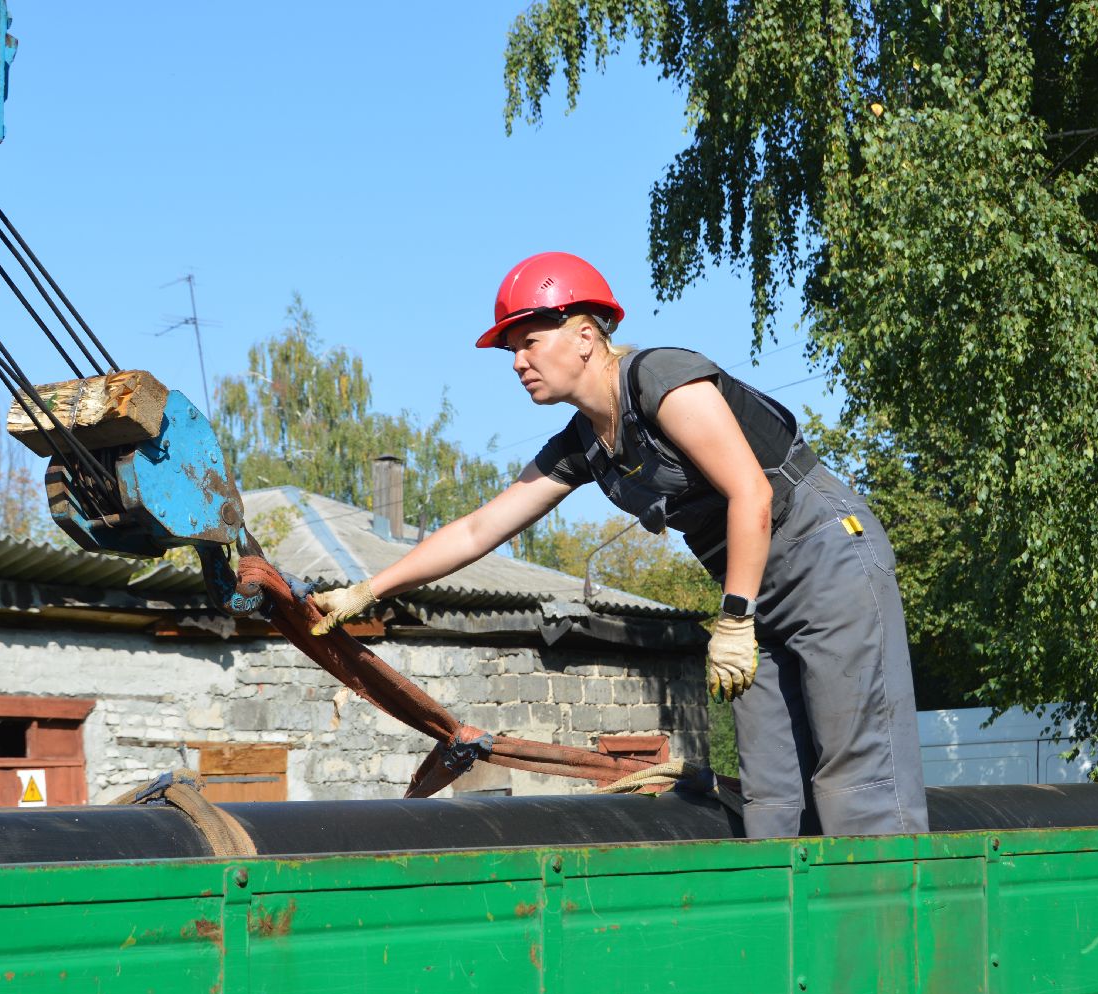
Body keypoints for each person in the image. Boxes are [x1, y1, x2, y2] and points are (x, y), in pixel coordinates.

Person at [311, 252, 928, 838]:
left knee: (857, 775)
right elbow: (478, 529)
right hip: (748, 588)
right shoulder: (583, 443)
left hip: (824, 556)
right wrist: (370, 589)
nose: (517, 361)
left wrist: (736, 621)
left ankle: (895, 935)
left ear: (584, 335)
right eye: (511, 348)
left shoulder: (661, 377)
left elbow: (751, 494)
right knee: (771, 791)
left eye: (529, 340)